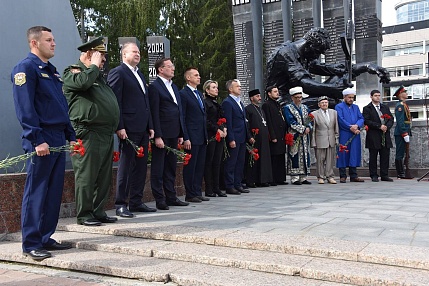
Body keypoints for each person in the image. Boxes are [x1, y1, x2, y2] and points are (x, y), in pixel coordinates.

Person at [11, 26, 76, 260]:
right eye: (49, 40)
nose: (54, 43)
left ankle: (45, 236)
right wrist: (36, 139)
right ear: (34, 43)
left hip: (58, 137)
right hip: (41, 138)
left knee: (53, 191)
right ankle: (30, 243)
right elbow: (25, 108)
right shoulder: (26, 68)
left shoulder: (52, 72)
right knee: (37, 191)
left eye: (54, 39)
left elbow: (61, 107)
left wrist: (71, 135)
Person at [63, 36, 120, 226]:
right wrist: (93, 67)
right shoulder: (73, 72)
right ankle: (85, 214)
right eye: (100, 56)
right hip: (87, 132)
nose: (103, 61)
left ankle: (98, 210)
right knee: (86, 175)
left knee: (103, 176)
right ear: (89, 54)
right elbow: (82, 85)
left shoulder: (98, 77)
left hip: (104, 133)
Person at [265, 27, 390, 108]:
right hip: (283, 103)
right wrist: (333, 89)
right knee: (330, 101)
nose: (318, 55)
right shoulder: (286, 53)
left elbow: (332, 68)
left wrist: (366, 66)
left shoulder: (306, 55)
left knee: (338, 81)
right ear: (309, 45)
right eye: (318, 51)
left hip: (298, 97)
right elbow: (304, 84)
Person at [107, 42, 156, 218]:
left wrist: (150, 126)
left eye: (139, 52)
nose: (138, 54)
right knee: (126, 167)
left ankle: (136, 201)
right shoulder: (118, 72)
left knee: (141, 167)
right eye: (134, 51)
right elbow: (115, 102)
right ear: (124, 54)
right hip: (128, 128)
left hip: (142, 128)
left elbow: (145, 103)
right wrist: (119, 126)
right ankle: (121, 204)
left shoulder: (139, 75)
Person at [149, 58, 189, 210]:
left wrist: (181, 133)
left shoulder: (174, 87)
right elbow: (154, 112)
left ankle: (171, 197)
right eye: (170, 66)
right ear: (161, 69)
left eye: (173, 66)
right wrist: (157, 135)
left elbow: (179, 112)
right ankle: (160, 199)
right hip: (162, 134)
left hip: (174, 133)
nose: (173, 69)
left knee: (171, 167)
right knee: (159, 167)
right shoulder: (155, 87)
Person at [179, 68, 209, 203]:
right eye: (196, 75)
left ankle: (197, 191)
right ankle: (190, 193)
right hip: (191, 136)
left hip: (202, 135)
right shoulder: (184, 94)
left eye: (199, 74)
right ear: (188, 78)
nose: (199, 77)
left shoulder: (199, 94)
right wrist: (186, 137)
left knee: (199, 165)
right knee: (191, 166)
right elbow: (183, 117)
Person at [222, 79, 251, 195]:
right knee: (231, 162)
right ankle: (229, 185)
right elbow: (228, 122)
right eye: (237, 86)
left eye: (240, 86)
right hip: (234, 137)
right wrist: (231, 138)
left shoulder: (240, 102)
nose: (240, 88)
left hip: (242, 137)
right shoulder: (227, 102)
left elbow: (243, 121)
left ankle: (238, 184)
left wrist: (247, 136)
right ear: (230, 89)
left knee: (240, 162)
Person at [362, 90, 394, 182]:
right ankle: (374, 175)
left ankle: (384, 174)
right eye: (375, 95)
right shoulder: (367, 108)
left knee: (385, 155)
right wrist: (379, 126)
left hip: (384, 134)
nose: (377, 97)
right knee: (373, 156)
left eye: (379, 95)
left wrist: (386, 127)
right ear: (371, 96)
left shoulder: (384, 107)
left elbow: (391, 119)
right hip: (374, 135)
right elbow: (367, 120)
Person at [203, 80, 227, 197]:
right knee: (210, 162)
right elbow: (206, 120)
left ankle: (217, 187)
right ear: (207, 90)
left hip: (220, 135)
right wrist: (216, 129)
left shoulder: (216, 103)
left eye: (216, 87)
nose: (216, 89)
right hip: (211, 135)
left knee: (218, 162)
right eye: (213, 87)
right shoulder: (206, 103)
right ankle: (209, 189)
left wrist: (224, 128)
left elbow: (221, 118)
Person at [283, 86, 312, 185]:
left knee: (305, 154)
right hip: (294, 135)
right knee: (294, 154)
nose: (299, 99)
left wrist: (308, 127)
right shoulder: (288, 108)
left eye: (300, 97)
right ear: (292, 98)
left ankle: (303, 176)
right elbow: (290, 121)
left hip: (304, 136)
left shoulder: (305, 107)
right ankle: (295, 177)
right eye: (297, 97)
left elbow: (310, 118)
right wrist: (302, 129)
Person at [335, 88, 365, 183]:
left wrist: (357, 126)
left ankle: (353, 175)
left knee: (354, 153)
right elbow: (340, 119)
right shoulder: (339, 107)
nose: (351, 99)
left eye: (352, 97)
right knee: (343, 152)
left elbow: (361, 118)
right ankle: (342, 175)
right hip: (344, 133)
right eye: (349, 97)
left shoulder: (355, 107)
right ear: (344, 97)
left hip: (355, 133)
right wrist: (350, 127)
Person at [245, 89, 273, 187]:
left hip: (264, 139)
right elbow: (246, 125)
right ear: (252, 98)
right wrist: (249, 136)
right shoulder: (248, 109)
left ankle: (263, 180)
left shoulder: (261, 109)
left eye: (260, 96)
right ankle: (251, 180)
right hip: (254, 139)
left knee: (264, 159)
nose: (260, 98)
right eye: (257, 96)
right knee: (254, 160)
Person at [262, 86, 288, 186]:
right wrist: (272, 135)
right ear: (269, 93)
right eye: (275, 91)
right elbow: (268, 120)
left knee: (281, 156)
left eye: (277, 91)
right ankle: (272, 178)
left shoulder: (277, 104)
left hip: (281, 134)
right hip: (274, 135)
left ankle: (280, 178)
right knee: (275, 157)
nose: (277, 93)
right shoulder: (267, 105)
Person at [310, 96, 339, 184]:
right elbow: (313, 129)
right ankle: (320, 177)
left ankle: (330, 176)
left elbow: (336, 127)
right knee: (320, 159)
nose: (324, 104)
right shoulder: (314, 114)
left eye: (326, 102)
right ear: (319, 104)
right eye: (322, 103)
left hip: (331, 139)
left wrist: (336, 138)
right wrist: (313, 142)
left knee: (330, 160)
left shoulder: (334, 112)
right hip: (320, 139)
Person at [393, 86, 413, 179]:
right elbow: (400, 121)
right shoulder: (400, 106)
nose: (406, 93)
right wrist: (404, 133)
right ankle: (400, 173)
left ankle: (403, 172)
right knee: (400, 152)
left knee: (405, 152)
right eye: (405, 92)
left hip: (405, 130)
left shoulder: (404, 104)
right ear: (400, 94)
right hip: (401, 132)